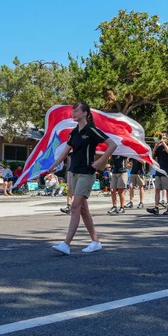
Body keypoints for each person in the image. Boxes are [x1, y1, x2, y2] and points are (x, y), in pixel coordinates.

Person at [48, 102, 117, 255]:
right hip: (73, 173)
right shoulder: (74, 133)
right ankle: (96, 242)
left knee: (75, 207)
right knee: (83, 209)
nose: (73, 113)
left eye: (76, 111)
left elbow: (112, 145)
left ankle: (66, 244)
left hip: (87, 173)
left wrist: (99, 162)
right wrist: (54, 165)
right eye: (72, 111)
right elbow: (66, 150)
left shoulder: (91, 130)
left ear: (85, 113)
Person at [147, 134, 168, 216]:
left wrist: (163, 143)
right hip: (158, 171)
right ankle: (156, 207)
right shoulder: (158, 147)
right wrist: (155, 146)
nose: (160, 138)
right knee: (157, 190)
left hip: (166, 171)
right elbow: (152, 157)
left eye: (163, 136)